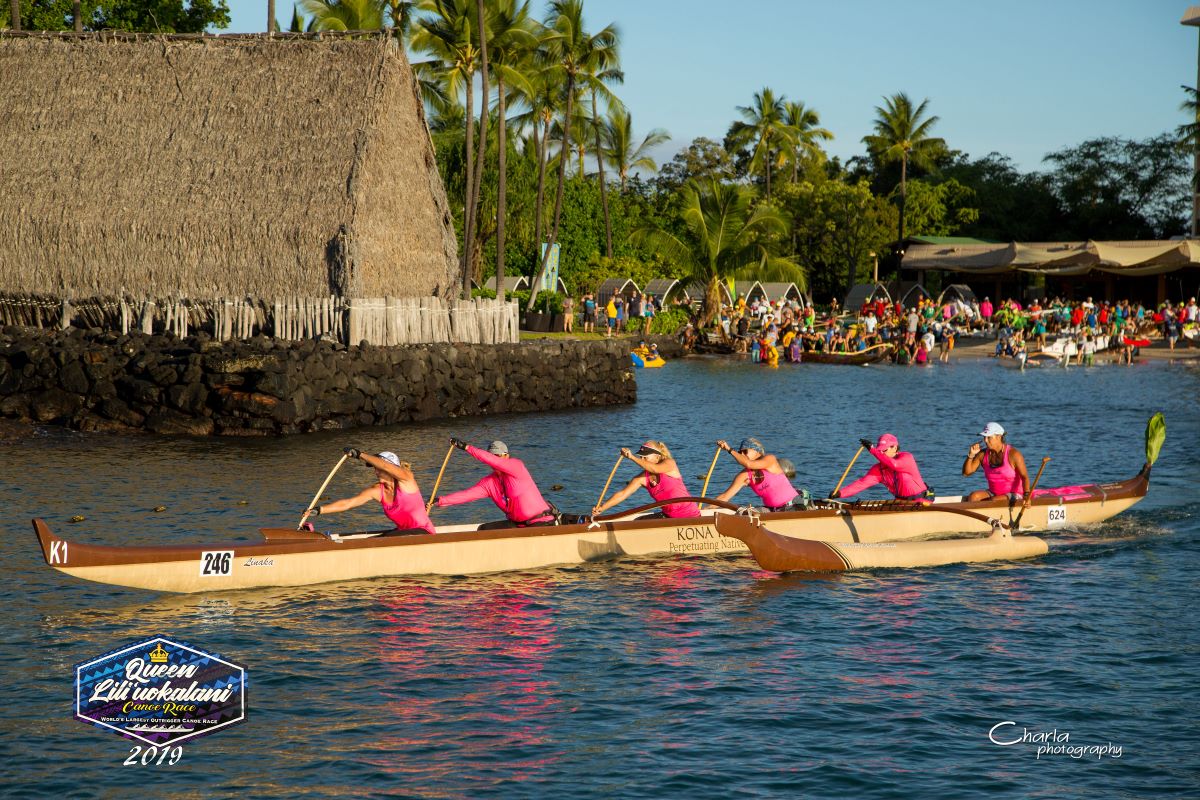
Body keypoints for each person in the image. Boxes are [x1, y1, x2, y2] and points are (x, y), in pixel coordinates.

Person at [308, 449, 436, 534]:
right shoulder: (377, 491)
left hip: (423, 532)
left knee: (385, 541)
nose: (376, 472)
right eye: (375, 469)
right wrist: (319, 510)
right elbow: (349, 503)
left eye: (378, 468)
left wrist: (360, 454)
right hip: (403, 533)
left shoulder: (407, 480)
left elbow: (385, 465)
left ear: (391, 468)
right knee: (373, 541)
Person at [436, 439, 555, 530]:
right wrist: (440, 500)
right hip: (518, 525)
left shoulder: (517, 466)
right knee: (483, 530)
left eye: (497, 456)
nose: (494, 459)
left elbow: (491, 460)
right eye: (492, 455)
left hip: (542, 522)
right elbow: (467, 495)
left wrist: (467, 447)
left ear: (506, 456)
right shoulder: (490, 483)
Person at [592, 441, 700, 518]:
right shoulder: (643, 478)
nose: (642, 459)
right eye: (641, 457)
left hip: (690, 515)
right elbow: (623, 494)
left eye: (645, 457)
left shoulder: (669, 464)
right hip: (669, 516)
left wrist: (632, 457)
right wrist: (602, 508)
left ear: (657, 457)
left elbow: (655, 468)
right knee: (637, 523)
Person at [831, 434, 931, 502]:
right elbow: (861, 484)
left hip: (922, 502)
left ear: (895, 448)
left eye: (884, 450)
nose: (881, 453)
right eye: (880, 451)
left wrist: (873, 450)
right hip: (900, 504)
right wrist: (840, 494)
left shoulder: (907, 458)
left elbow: (894, 465)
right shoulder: (879, 470)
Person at [712, 437, 803, 511]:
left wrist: (729, 449)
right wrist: (703, 510)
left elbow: (748, 463)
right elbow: (724, 497)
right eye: (740, 452)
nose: (742, 454)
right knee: (745, 514)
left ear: (757, 451)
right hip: (772, 510)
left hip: (794, 506)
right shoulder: (744, 475)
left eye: (745, 451)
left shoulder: (770, 460)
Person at [962, 422, 1031, 507]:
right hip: (993, 493)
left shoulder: (1013, 454)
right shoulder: (982, 454)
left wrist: (1026, 496)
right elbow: (966, 473)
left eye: (989, 437)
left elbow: (1024, 477)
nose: (985, 440)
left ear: (999, 437)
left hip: (1015, 494)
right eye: (984, 437)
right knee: (973, 496)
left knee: (993, 501)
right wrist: (971, 455)